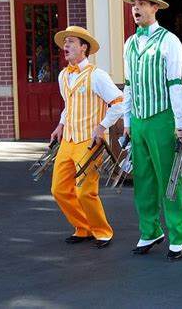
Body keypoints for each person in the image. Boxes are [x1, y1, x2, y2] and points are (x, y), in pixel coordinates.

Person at [121, 0, 182, 261]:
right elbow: (128, 85)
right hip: (138, 119)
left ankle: (177, 235)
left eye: (143, 4)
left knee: (168, 179)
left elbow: (175, 83)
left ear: (155, 8)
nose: (136, 8)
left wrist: (180, 121)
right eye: (134, 3)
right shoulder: (129, 43)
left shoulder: (169, 41)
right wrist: (127, 121)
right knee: (143, 179)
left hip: (162, 117)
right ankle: (149, 230)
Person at [50, 26, 123, 249]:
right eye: (65, 42)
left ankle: (102, 231)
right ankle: (83, 227)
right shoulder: (64, 75)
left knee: (85, 191)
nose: (66, 46)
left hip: (89, 142)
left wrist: (101, 127)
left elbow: (119, 103)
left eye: (71, 42)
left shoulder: (97, 75)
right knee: (59, 190)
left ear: (84, 47)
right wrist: (60, 124)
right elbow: (68, 106)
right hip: (68, 141)